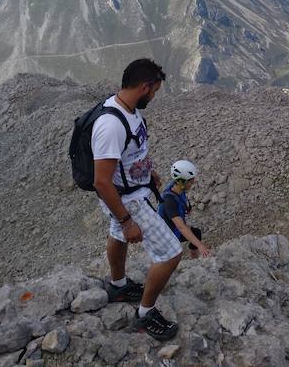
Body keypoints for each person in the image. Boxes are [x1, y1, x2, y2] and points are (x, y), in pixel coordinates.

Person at [91, 58, 181, 341]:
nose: (154, 97)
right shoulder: (111, 125)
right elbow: (101, 181)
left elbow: (131, 152)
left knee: (116, 234)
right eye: (154, 91)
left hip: (132, 190)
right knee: (170, 253)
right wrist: (128, 220)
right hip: (128, 200)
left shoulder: (128, 109)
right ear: (144, 87)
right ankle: (145, 315)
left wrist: (148, 171)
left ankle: (118, 285)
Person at [158, 160, 212, 258]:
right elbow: (181, 227)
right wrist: (200, 246)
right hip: (166, 237)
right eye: (190, 181)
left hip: (172, 228)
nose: (193, 182)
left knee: (196, 233)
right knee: (176, 254)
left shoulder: (177, 188)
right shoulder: (169, 200)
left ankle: (194, 260)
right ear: (181, 182)